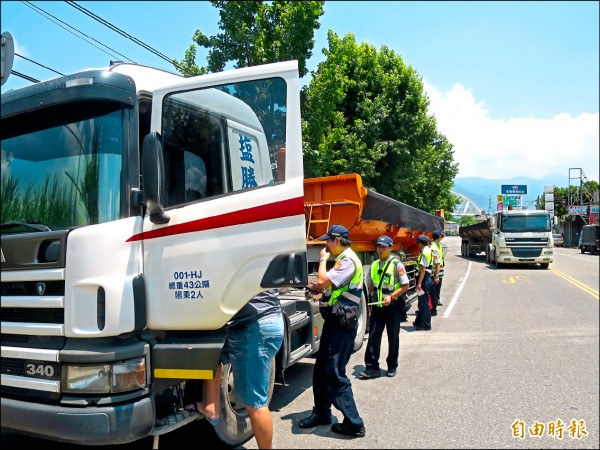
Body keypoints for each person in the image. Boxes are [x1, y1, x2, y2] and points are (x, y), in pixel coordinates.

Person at [188, 289, 284, 449]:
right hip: (252, 323)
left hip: (254, 327)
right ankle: (212, 407)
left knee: (255, 402)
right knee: (211, 354)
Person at [299, 224, 366, 438]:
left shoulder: (347, 261)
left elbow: (322, 281)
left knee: (335, 372)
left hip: (342, 324)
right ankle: (322, 413)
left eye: (328, 241)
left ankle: (354, 423)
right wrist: (322, 295)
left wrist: (321, 260)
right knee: (321, 370)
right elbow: (332, 288)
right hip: (335, 321)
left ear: (337, 241)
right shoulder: (343, 261)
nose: (326, 245)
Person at [360, 235, 410, 379]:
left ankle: (392, 366)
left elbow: (405, 285)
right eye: (378, 247)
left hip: (393, 305)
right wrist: (370, 303)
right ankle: (372, 367)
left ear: (390, 248)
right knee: (373, 336)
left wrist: (392, 296)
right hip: (377, 306)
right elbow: (370, 286)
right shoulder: (374, 265)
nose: (380, 250)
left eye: (383, 247)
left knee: (393, 336)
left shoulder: (397, 265)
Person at [413, 234, 434, 331]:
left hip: (424, 279)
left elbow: (423, 269)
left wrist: (419, 283)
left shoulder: (424, 252)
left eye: (418, 243)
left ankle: (426, 324)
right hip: (427, 278)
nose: (417, 245)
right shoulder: (428, 251)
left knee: (424, 303)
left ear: (420, 243)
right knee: (422, 302)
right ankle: (419, 321)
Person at [430, 230, 445, 313]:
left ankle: (437, 299)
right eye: (442, 235)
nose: (443, 237)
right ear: (439, 236)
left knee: (438, 286)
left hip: (440, 269)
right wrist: (436, 274)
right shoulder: (433, 246)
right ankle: (434, 303)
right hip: (435, 270)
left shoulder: (439, 245)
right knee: (434, 287)